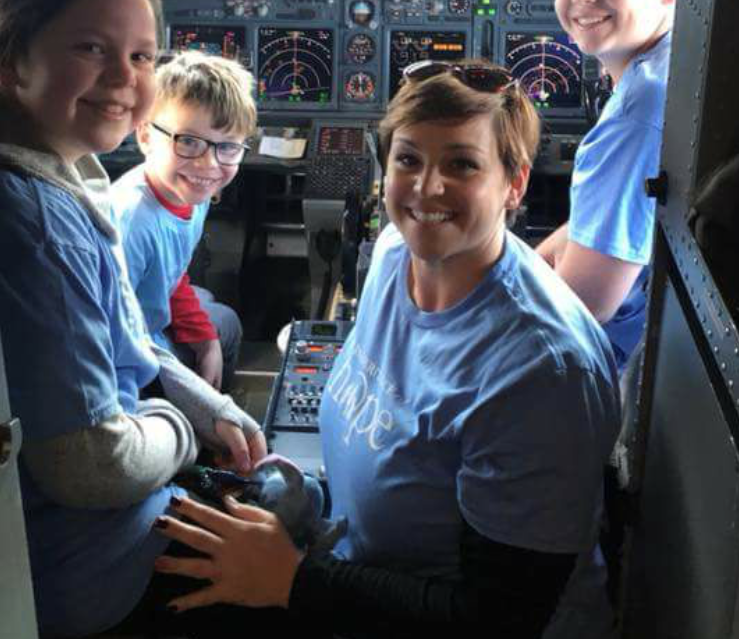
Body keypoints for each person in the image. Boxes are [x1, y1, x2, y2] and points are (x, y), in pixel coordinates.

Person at [153, 60, 621, 639]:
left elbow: (497, 619)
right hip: (356, 570)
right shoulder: (396, 253)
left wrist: (294, 579)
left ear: (515, 183)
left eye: (462, 164)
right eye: (409, 159)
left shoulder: (541, 373)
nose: (427, 188)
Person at [0, 0, 266, 639]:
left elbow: (128, 334)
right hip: (79, 565)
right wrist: (186, 435)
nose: (123, 77)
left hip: (77, 519)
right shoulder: (39, 223)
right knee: (289, 528)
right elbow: (90, 467)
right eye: (91, 47)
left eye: (143, 56)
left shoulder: (64, 175)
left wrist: (210, 406)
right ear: (11, 59)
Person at [536, 0, 676, 371]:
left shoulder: (638, 114)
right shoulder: (664, 67)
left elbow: (583, 305)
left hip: (614, 364)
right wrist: (528, 266)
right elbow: (596, 225)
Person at [112, 51, 256, 392]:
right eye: (188, 141)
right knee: (228, 324)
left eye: (228, 147)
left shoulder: (193, 195)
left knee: (211, 313)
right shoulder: (133, 223)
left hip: (146, 316)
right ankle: (204, 436)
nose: (208, 164)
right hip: (129, 359)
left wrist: (205, 340)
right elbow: (110, 336)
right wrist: (199, 402)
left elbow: (171, 276)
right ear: (145, 135)